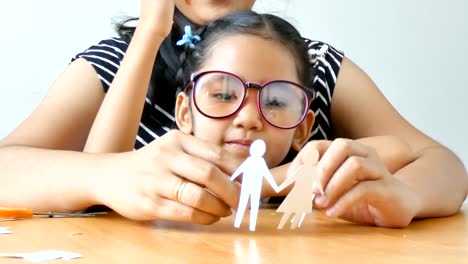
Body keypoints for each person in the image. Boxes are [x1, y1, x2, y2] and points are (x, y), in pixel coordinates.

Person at [0, 0, 466, 228]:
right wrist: (104, 177)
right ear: (185, 109)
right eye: (222, 95)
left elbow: (441, 163)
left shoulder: (317, 66)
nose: (248, 116)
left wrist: (404, 197)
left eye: (277, 100)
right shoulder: (109, 65)